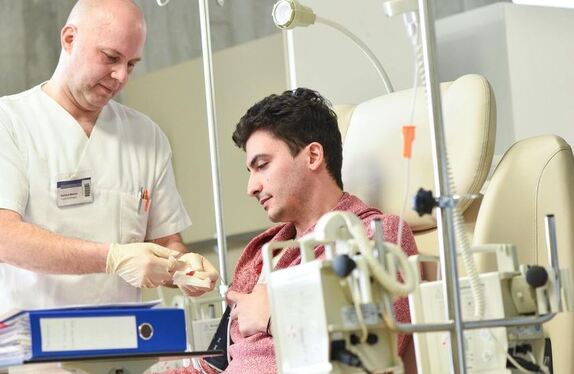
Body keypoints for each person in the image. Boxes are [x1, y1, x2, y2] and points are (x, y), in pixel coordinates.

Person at [0, 0, 217, 332]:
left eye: (132, 64)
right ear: (69, 39)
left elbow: (166, 242)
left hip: (120, 344)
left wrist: (183, 268)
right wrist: (113, 258)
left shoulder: (145, 136)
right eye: (110, 57)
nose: (121, 76)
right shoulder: (3, 122)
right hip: (21, 345)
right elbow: (4, 240)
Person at [161, 88, 418, 373]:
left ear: (313, 156)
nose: (251, 187)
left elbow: (368, 358)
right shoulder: (261, 253)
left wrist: (274, 317)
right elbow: (211, 367)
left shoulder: (375, 237)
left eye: (262, 165)